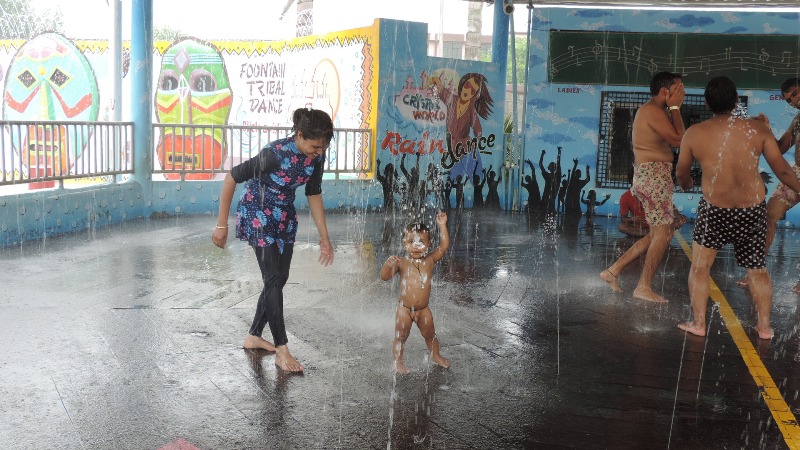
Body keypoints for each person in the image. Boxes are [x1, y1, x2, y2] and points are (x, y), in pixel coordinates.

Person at [675, 76, 800, 340]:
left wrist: (687, 186)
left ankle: (698, 323)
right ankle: (764, 327)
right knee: (757, 269)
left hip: (714, 211)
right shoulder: (757, 131)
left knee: (700, 267)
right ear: (735, 101)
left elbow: (682, 175)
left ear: (708, 103)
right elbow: (783, 171)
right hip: (751, 211)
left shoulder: (694, 133)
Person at [211, 108, 335, 373]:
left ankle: (254, 335)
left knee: (279, 278)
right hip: (258, 213)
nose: (319, 152)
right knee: (273, 280)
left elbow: (313, 194)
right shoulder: (273, 154)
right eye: (314, 146)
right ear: (299, 136)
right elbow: (232, 176)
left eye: (323, 147)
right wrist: (222, 224)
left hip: (284, 217)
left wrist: (325, 238)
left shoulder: (316, 158)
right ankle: (282, 349)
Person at [600, 71, 686, 303]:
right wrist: (676, 109)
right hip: (653, 176)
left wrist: (674, 109)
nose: (683, 93)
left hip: (655, 176)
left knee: (660, 233)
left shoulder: (659, 111)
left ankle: (612, 272)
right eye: (679, 89)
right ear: (665, 91)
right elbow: (680, 140)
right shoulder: (651, 111)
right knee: (663, 233)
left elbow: (678, 138)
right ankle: (643, 287)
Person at [736, 77, 800, 291]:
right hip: (796, 174)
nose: (793, 102)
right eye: (789, 100)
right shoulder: (798, 120)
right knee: (770, 214)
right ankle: (755, 272)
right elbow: (780, 148)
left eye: (796, 95)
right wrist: (767, 129)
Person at [380, 211, 451, 374]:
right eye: (411, 241)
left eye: (421, 242)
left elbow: (444, 246)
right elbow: (384, 277)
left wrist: (442, 226)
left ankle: (436, 355)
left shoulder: (430, 260)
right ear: (405, 243)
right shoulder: (402, 263)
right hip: (404, 309)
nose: (416, 246)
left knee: (430, 335)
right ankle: (398, 362)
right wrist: (388, 265)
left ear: (428, 244)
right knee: (401, 337)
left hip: (423, 310)